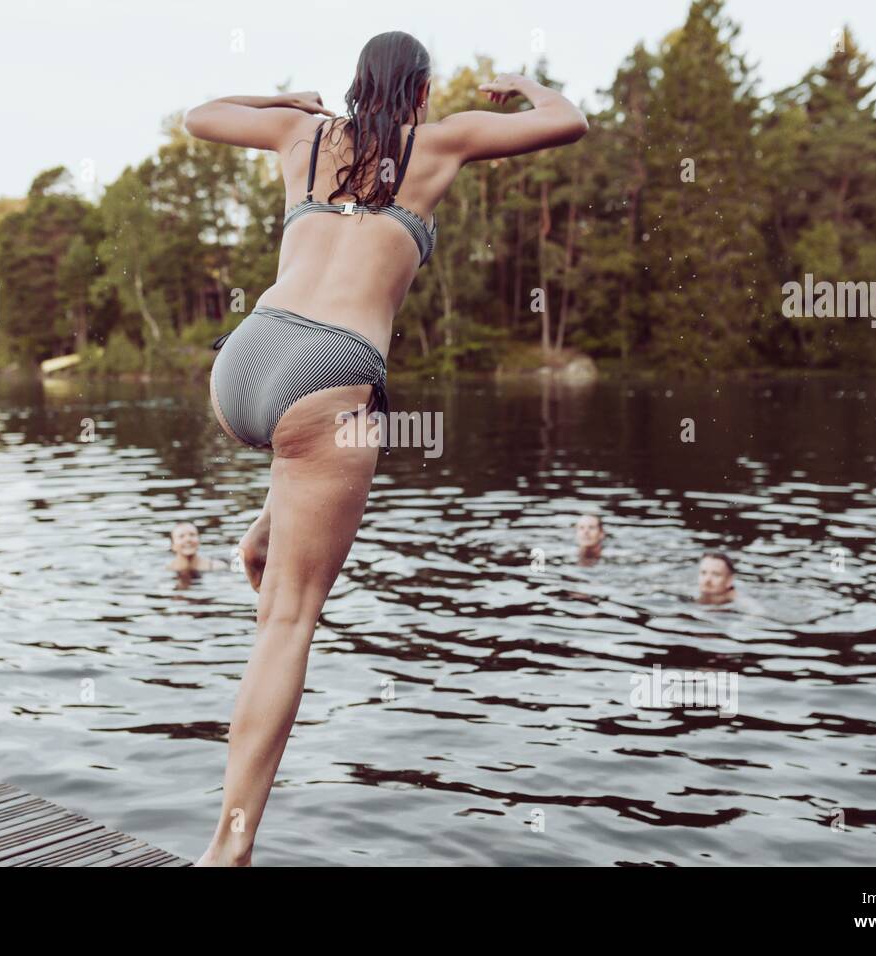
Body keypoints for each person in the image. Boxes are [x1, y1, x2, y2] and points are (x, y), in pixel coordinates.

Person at [184, 30, 587, 866]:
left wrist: (284, 100)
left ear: (354, 84)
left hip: (248, 356)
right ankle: (228, 852)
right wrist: (526, 84)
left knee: (285, 545)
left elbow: (200, 115)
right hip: (333, 371)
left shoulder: (305, 136)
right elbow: (569, 122)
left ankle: (268, 524)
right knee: (289, 622)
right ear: (423, 89)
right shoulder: (440, 142)